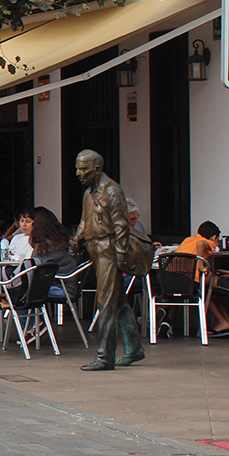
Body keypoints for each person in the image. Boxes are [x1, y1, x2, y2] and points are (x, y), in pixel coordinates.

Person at [72, 149, 145, 370]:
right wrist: (77, 238)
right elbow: (85, 220)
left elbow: (121, 225)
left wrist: (121, 255)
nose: (78, 173)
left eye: (83, 169)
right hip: (96, 250)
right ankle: (134, 349)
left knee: (105, 302)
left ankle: (105, 356)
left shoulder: (112, 190)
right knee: (119, 302)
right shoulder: (89, 193)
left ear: (97, 169)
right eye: (77, 167)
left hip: (109, 250)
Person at [177, 220, 229, 336]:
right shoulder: (208, 242)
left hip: (173, 280)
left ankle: (226, 323)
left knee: (209, 289)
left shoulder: (188, 240)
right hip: (190, 281)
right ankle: (223, 322)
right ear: (214, 238)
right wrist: (200, 264)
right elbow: (201, 245)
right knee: (206, 289)